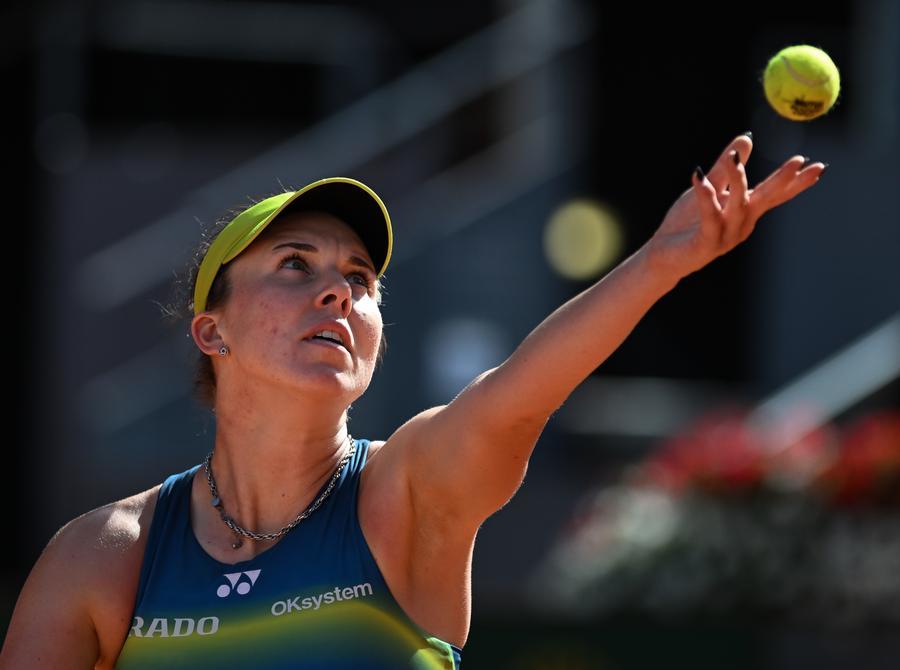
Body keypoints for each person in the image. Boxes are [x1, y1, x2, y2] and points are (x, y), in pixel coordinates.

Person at [0, 133, 826, 669]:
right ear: (211, 334)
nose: (338, 294)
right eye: (296, 265)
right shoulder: (103, 557)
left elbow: (519, 394)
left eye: (360, 280)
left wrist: (661, 262)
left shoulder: (412, 490)